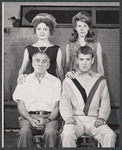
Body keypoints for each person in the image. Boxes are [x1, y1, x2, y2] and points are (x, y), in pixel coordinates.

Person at [60, 45, 116, 147]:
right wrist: (68, 117)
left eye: (87, 59)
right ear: (77, 60)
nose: (84, 62)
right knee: (67, 134)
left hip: (94, 120)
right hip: (75, 119)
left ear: (92, 60)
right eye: (81, 59)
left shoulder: (100, 80)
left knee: (110, 134)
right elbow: (65, 101)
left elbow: (105, 101)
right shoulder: (69, 79)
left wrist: (102, 118)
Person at [13, 51, 61, 147]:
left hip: (49, 118)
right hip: (28, 117)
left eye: (44, 61)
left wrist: (47, 119)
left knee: (51, 133)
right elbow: (21, 106)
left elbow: (57, 107)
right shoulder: (24, 80)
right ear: (32, 63)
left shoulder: (56, 82)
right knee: (24, 133)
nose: (40, 64)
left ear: (48, 65)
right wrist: (31, 119)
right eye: (37, 61)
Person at [18, 13, 64, 83]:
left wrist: (62, 87)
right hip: (33, 84)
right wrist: (21, 75)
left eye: (45, 29)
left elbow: (60, 71)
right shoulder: (29, 49)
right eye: (39, 29)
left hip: (51, 85)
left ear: (50, 31)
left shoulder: (57, 49)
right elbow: (23, 69)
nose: (42, 32)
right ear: (35, 31)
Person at [64, 11, 104, 76]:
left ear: (88, 28)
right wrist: (67, 73)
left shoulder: (96, 45)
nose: (82, 29)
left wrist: (102, 83)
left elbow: (100, 67)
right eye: (79, 26)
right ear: (75, 28)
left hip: (92, 80)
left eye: (85, 26)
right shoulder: (69, 45)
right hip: (76, 80)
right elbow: (66, 67)